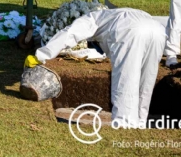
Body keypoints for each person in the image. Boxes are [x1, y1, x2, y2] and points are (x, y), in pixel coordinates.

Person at [25, 8, 165, 127]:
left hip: (129, 32)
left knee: (126, 83)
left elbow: (70, 34)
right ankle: (140, 122)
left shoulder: (91, 19)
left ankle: (124, 124)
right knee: (146, 81)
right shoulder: (111, 14)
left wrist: (41, 55)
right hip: (158, 30)